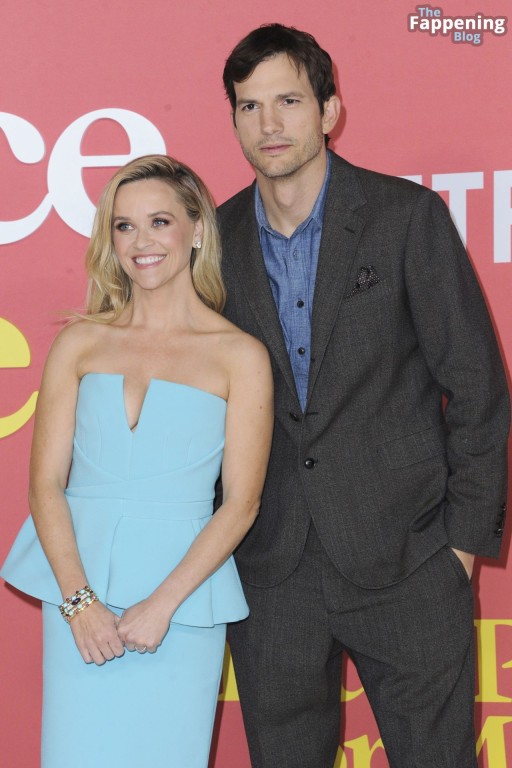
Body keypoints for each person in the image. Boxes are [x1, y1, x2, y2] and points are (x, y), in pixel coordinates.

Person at [217, 23, 510, 768]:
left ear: (329, 109)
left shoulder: (405, 218)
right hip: (270, 570)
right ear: (235, 120)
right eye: (250, 106)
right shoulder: (213, 240)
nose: (269, 122)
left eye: (288, 100)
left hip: (410, 561)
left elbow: (477, 386)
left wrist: (461, 547)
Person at [1, 154, 273, 768]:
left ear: (197, 229)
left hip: (183, 602)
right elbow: (45, 485)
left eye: (159, 222)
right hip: (78, 596)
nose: (141, 242)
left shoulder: (239, 356)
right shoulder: (80, 342)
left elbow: (241, 503)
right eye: (124, 226)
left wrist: (163, 605)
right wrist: (78, 603)